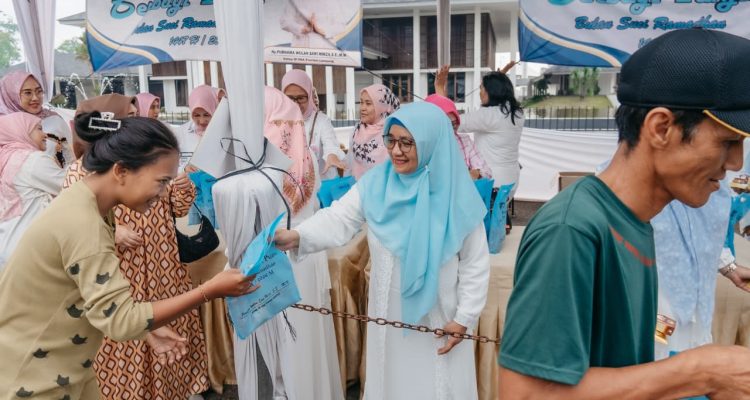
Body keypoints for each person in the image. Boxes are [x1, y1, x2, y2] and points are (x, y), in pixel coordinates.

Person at [497, 29, 750, 399]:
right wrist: (702, 372)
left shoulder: (636, 219)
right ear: (661, 128)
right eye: (728, 142)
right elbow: (525, 394)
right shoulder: (573, 229)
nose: (736, 163)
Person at [0, 112, 257, 399]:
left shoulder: (90, 206)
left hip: (67, 369)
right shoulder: (84, 224)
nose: (164, 193)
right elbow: (121, 320)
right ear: (121, 171)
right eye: (161, 181)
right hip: (34, 378)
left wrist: (146, 330)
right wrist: (209, 291)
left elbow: (90, 297)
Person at [275, 102, 490, 399]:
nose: (396, 151)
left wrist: (464, 318)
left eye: (407, 142)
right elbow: (339, 217)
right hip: (388, 317)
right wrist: (297, 236)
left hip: (440, 322)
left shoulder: (456, 195)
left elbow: (475, 263)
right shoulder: (377, 184)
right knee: (391, 381)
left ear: (431, 142)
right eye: (391, 140)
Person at [62, 100, 209, 398]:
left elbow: (179, 208)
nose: (133, 124)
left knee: (167, 338)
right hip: (120, 274)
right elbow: (72, 223)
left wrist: (182, 184)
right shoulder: (82, 171)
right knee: (124, 336)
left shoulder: (150, 163)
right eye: (127, 118)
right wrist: (114, 232)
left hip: (162, 266)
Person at [435, 63, 523, 194]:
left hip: (492, 183)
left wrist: (439, 88)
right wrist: (499, 78)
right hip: (511, 180)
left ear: (491, 91)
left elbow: (451, 122)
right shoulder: (517, 113)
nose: (479, 93)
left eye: (481, 88)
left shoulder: (489, 116)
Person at [0, 112, 65, 270]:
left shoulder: (7, 159)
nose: (45, 134)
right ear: (20, 130)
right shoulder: (32, 159)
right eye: (39, 129)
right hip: (29, 251)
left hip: (8, 245)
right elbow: (70, 184)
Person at [282, 69, 346, 180]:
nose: (296, 103)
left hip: (321, 183)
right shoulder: (279, 121)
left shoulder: (321, 121)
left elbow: (330, 143)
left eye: (301, 98)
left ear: (309, 96)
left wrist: (332, 155)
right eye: (290, 98)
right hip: (293, 184)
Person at [425, 93, 492, 180]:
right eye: (446, 124)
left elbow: (487, 172)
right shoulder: (422, 147)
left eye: (454, 123)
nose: (451, 129)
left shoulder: (464, 141)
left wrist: (477, 174)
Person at [349, 84, 400, 180]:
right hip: (356, 185)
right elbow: (349, 163)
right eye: (361, 102)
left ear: (382, 106)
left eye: (368, 103)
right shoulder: (357, 130)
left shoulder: (392, 133)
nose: (362, 108)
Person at [175, 85, 220, 157]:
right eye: (197, 115)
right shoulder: (180, 133)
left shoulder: (224, 131)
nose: (202, 121)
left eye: (206, 115)